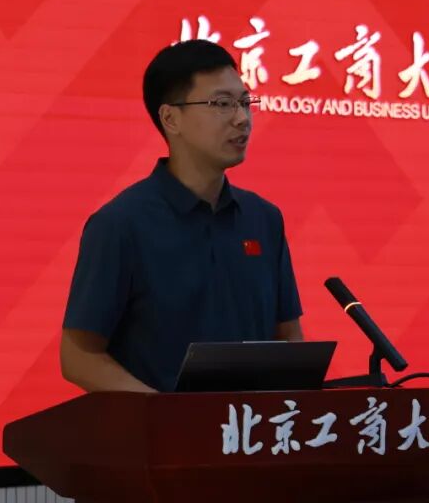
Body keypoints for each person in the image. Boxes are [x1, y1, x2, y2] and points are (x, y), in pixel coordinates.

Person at [60, 40, 304, 393]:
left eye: (244, 102)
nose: (242, 118)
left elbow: (288, 338)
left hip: (251, 426)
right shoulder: (120, 224)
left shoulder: (264, 219)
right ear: (171, 119)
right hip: (161, 427)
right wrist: (162, 412)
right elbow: (79, 356)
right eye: (222, 104)